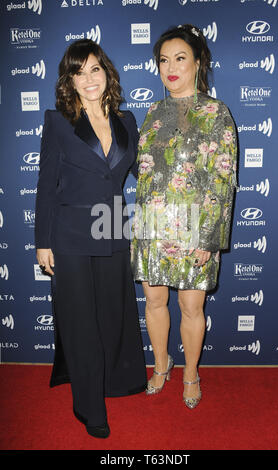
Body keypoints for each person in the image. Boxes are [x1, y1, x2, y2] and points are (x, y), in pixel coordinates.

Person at [35, 39, 147, 438]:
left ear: (107, 72)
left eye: (94, 69)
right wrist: (42, 241)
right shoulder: (58, 121)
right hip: (69, 236)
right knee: (81, 322)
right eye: (78, 72)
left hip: (114, 228)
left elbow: (145, 176)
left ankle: (112, 383)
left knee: (112, 318)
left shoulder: (128, 121)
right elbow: (47, 183)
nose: (88, 79)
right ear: (70, 80)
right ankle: (89, 406)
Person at [131, 24, 237, 409]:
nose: (170, 67)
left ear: (198, 63)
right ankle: (161, 365)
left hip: (195, 229)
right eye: (163, 60)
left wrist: (209, 237)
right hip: (151, 227)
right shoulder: (152, 112)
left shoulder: (216, 112)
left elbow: (223, 178)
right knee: (154, 303)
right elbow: (143, 170)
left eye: (180, 58)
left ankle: (190, 372)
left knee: (192, 308)